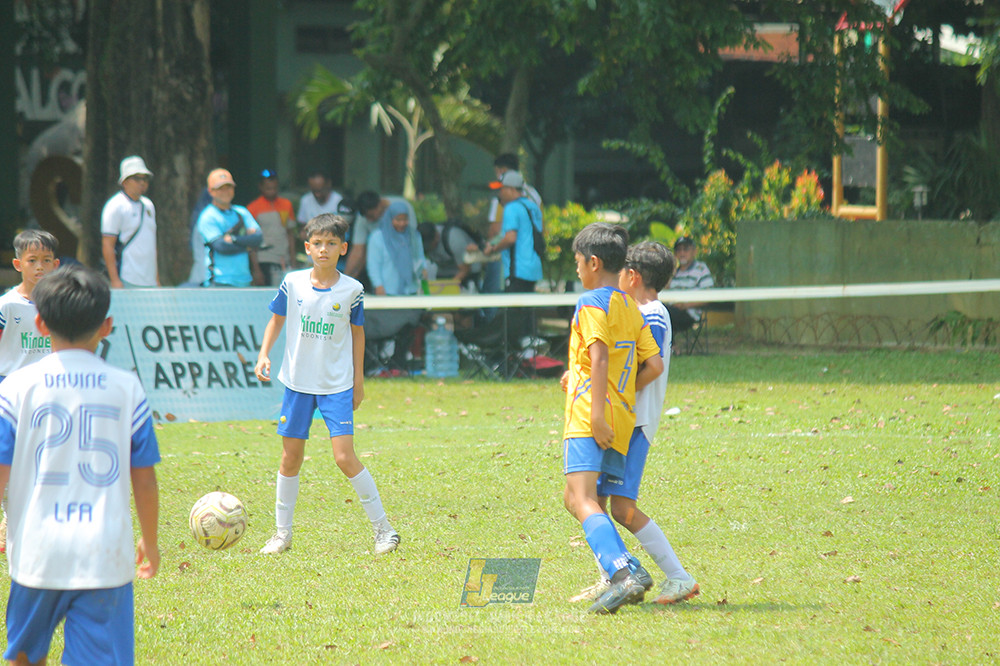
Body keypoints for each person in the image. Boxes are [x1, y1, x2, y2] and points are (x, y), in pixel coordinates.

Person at [0, 265, 160, 665]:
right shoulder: (127, 388)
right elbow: (145, 478)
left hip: (37, 552)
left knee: (23, 657)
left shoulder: (16, 388)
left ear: (40, 323)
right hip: (104, 555)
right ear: (106, 326)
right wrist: (151, 540)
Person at [254, 213, 400, 556]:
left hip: (336, 385)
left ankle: (384, 530)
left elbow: (358, 334)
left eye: (331, 244)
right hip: (297, 383)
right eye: (317, 243)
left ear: (343, 248)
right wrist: (264, 355)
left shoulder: (353, 289)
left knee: (344, 457)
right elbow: (276, 320)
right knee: (290, 458)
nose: (324, 249)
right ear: (307, 247)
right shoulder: (292, 283)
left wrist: (358, 381)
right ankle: (281, 534)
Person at [575, 241, 700, 605]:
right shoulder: (640, 310)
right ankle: (615, 574)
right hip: (626, 420)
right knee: (594, 500)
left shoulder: (654, 314)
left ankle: (679, 577)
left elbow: (651, 365)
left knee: (621, 508)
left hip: (637, 423)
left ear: (633, 276)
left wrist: (620, 393)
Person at [559, 222, 664, 615]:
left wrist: (598, 412)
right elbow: (652, 364)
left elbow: (599, 355)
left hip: (590, 416)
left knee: (582, 498)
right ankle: (630, 567)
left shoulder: (591, 302)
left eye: (577, 261)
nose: (576, 269)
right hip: (620, 418)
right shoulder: (627, 305)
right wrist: (615, 398)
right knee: (577, 498)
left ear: (594, 262)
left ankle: (623, 574)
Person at [484, 170, 544, 346]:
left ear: (511, 189)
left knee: (512, 316)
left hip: (517, 269)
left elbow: (510, 238)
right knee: (526, 313)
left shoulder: (511, 208)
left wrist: (493, 248)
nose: (499, 194)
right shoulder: (532, 207)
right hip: (533, 267)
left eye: (501, 189)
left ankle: (512, 352)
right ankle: (529, 351)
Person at [365, 202, 426, 374]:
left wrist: (423, 272)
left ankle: (398, 365)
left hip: (409, 294)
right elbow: (373, 265)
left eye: (405, 219)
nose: (402, 224)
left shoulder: (414, 236)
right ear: (389, 218)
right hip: (387, 294)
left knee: (407, 328)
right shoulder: (378, 237)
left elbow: (419, 259)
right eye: (398, 219)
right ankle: (375, 366)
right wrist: (379, 286)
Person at [0, 230, 61, 380]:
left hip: (48, 382)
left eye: (46, 260)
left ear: (55, 264)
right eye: (32, 260)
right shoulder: (6, 306)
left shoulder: (60, 305)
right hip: (9, 382)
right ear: (18, 264)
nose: (39, 266)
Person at [196, 168, 263, 287]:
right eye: (220, 188)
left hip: (244, 280)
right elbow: (221, 246)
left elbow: (258, 238)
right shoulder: (208, 216)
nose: (226, 191)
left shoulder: (241, 212)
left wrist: (234, 239)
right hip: (219, 281)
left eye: (229, 187)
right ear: (211, 191)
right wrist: (247, 243)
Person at [100, 155, 159, 288]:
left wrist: (156, 278)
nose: (142, 183)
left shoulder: (149, 205)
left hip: (149, 280)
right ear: (125, 182)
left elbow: (151, 244)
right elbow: (108, 244)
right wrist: (115, 280)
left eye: (145, 178)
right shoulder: (115, 205)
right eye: (137, 178)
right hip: (127, 277)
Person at [344, 190, 420, 280]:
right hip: (379, 263)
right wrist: (345, 278)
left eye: (372, 216)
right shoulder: (363, 217)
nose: (370, 220)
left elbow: (411, 239)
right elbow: (357, 250)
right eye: (367, 217)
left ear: (380, 204)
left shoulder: (402, 207)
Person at [247, 169, 297, 285]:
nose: (272, 192)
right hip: (264, 258)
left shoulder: (286, 204)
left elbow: (290, 234)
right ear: (261, 187)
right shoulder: (252, 208)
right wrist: (256, 269)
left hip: (285, 258)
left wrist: (293, 260)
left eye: (275, 188)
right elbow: (251, 242)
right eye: (268, 189)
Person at [666, 236, 715, 334]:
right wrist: (671, 271)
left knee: (664, 313)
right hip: (672, 310)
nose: (682, 253)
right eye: (679, 250)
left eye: (686, 249)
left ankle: (671, 347)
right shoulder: (675, 272)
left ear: (694, 251)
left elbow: (709, 296)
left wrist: (685, 305)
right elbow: (665, 290)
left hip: (689, 313)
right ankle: (670, 346)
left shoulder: (701, 269)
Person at [417, 221, 485, 288]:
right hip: (444, 271)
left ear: (436, 236)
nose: (428, 248)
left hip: (468, 272)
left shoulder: (454, 239)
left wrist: (448, 288)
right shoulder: (420, 241)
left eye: (429, 245)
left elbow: (465, 269)